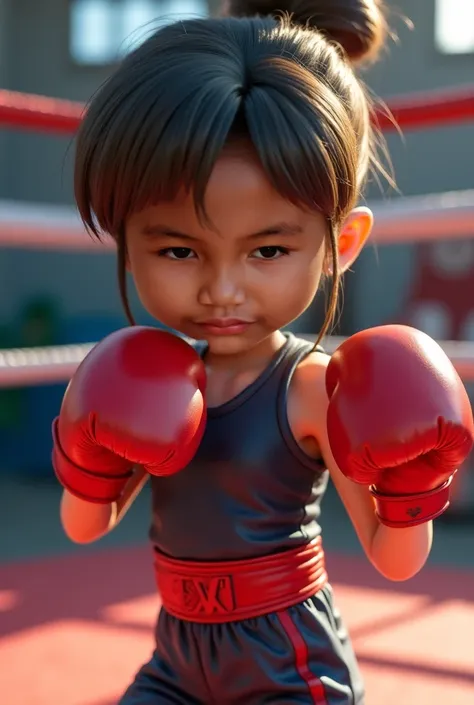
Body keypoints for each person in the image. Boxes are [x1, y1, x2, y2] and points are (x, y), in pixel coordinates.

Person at [52, 0, 474, 702]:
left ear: (338, 243)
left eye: (269, 249)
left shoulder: (310, 388)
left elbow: (395, 559)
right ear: (129, 241)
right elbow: (85, 523)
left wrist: (412, 488)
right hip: (177, 652)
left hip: (287, 657)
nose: (222, 289)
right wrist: (87, 453)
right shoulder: (147, 374)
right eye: (179, 249)